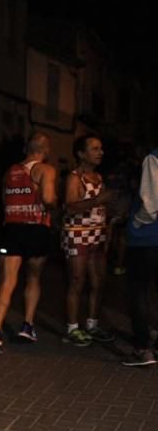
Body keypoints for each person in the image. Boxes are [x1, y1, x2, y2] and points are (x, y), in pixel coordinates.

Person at [0, 132, 58, 354]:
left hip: (13, 228)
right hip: (37, 227)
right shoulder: (46, 170)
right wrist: (54, 204)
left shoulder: (10, 171)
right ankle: (27, 326)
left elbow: (3, 200)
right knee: (33, 276)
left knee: (7, 281)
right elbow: (48, 199)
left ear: (26, 149)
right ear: (45, 150)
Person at [61, 135, 114, 346]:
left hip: (97, 235)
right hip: (77, 234)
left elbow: (103, 207)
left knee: (98, 281)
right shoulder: (74, 178)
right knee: (77, 281)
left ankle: (92, 325)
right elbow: (70, 206)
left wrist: (108, 224)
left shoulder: (99, 177)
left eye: (101, 148)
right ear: (81, 154)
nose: (100, 152)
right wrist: (97, 200)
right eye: (94, 149)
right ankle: (72, 328)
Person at [122, 150, 158, 366]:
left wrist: (136, 222)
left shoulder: (153, 158)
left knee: (139, 292)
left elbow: (151, 204)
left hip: (147, 237)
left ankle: (142, 348)